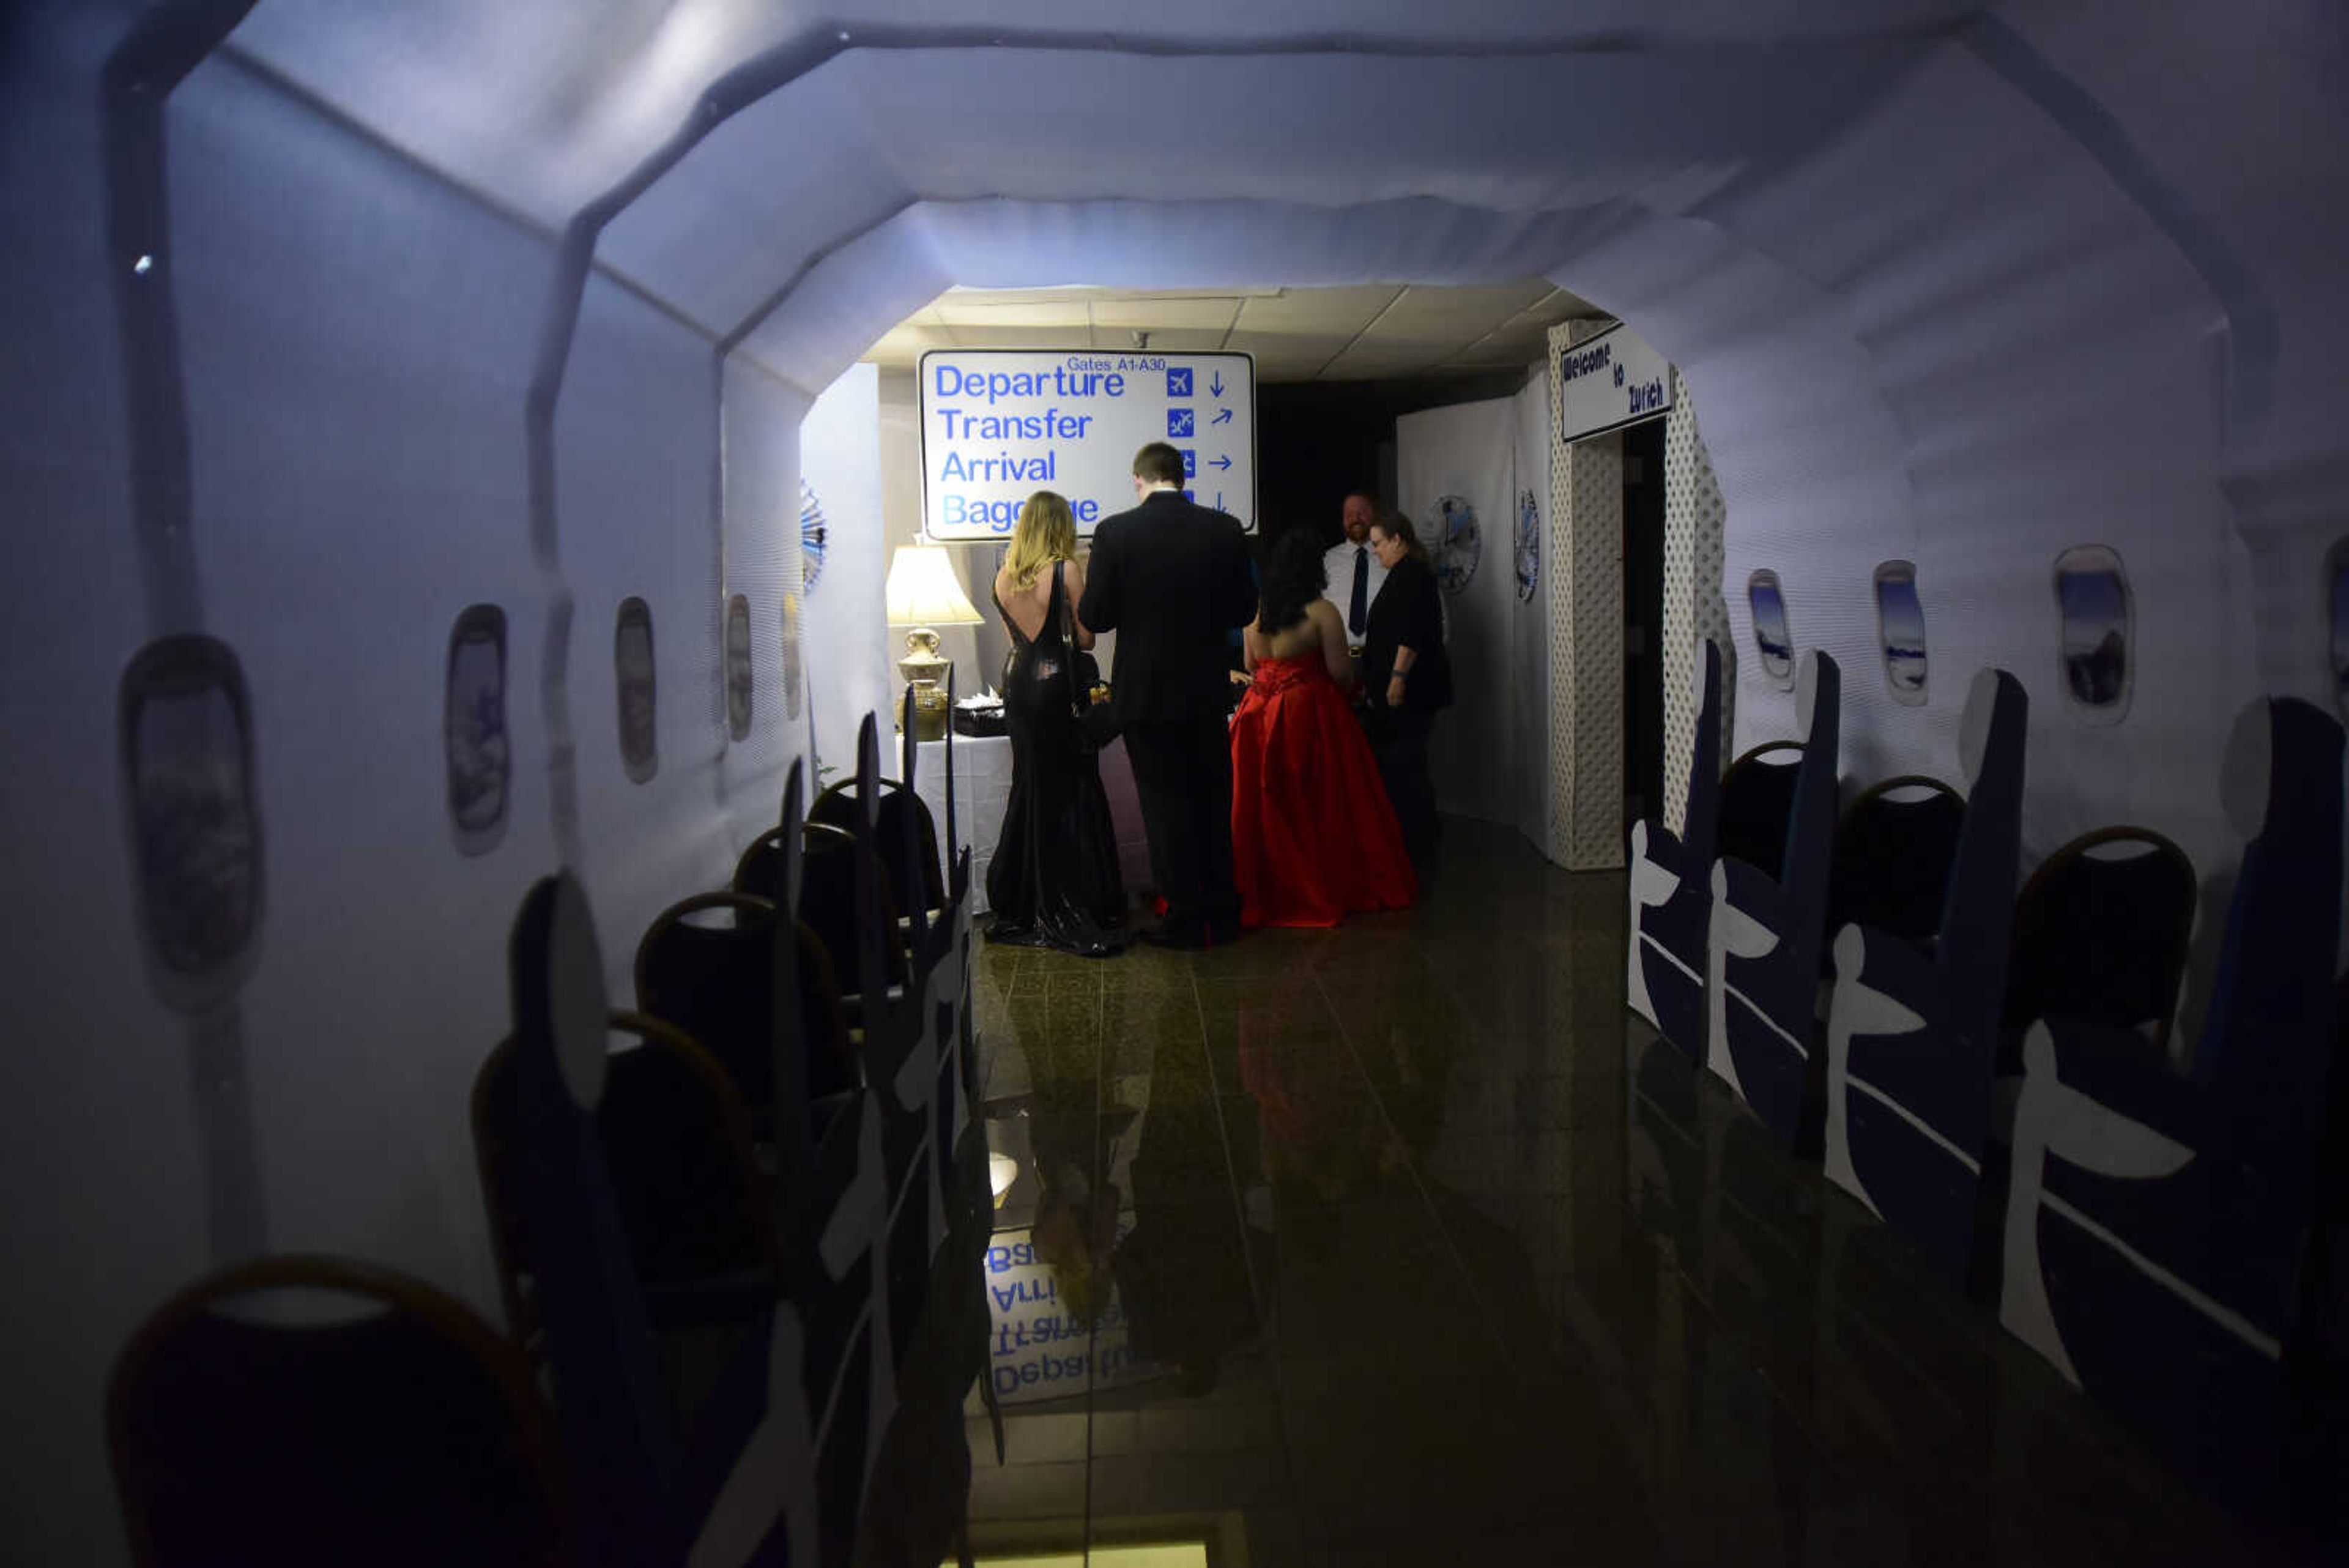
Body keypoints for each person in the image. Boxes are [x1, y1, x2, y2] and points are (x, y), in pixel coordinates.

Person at [1079, 443, 1258, 948]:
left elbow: (1097, 617)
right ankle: (1223, 912)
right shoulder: (1224, 530)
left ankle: (1183, 916)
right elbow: (1244, 609)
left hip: (1145, 696)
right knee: (1211, 801)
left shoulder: (1116, 532)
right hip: (1205, 691)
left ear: (1139, 480)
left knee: (1165, 808)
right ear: (1182, 477)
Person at [1229, 530, 1414, 927]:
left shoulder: (1255, 612)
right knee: (1318, 804)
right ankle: (1311, 885)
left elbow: (1249, 666)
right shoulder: (1322, 611)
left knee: (1258, 804)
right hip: (1306, 714)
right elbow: (1341, 674)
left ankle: (1263, 886)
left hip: (1256, 713)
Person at [984, 491, 1129, 956]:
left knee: (1029, 784)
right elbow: (1085, 639)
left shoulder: (1003, 575)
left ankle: (1022, 903)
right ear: (1060, 526)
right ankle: (1076, 900)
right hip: (1057, 686)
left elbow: (1015, 639)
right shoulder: (1066, 569)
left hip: (1020, 684)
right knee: (1070, 787)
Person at [1360, 510, 1452, 871]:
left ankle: (1418, 843)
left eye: (1380, 544)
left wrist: (1397, 678)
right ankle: (1414, 839)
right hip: (1400, 690)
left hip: (1410, 691)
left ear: (1398, 540)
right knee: (1406, 765)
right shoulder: (1404, 574)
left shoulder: (1412, 576)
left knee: (1407, 765)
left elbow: (1412, 634)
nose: (1376, 551)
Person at [1320, 489, 1387, 658]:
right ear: (1343, 520)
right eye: (1349, 514)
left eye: (1362, 513)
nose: (1355, 519)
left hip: (1382, 658)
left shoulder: (1390, 558)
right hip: (1336, 659)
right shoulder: (1326, 561)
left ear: (1375, 516)